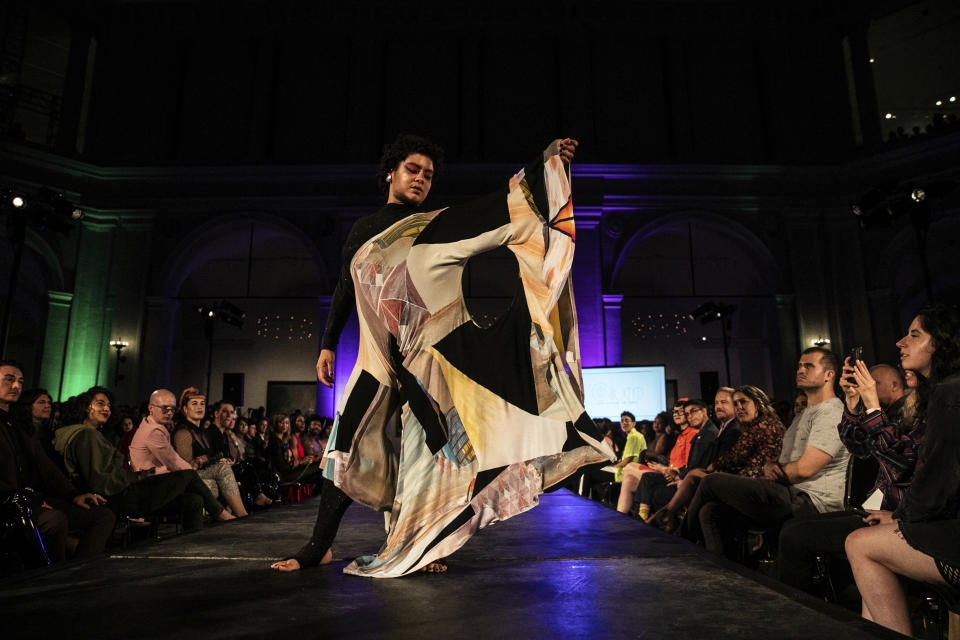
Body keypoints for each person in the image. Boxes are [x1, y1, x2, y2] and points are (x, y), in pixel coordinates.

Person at [271, 135, 613, 577]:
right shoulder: (362, 229)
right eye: (413, 170)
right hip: (376, 357)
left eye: (429, 175)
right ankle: (319, 546)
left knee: (431, 456)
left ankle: (426, 545)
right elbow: (345, 287)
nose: (421, 179)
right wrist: (327, 342)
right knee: (345, 445)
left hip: (429, 358)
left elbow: (506, 209)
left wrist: (544, 165)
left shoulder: (438, 225)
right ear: (390, 173)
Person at [845, 305, 960, 635]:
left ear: (942, 343)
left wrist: (870, 406)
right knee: (864, 539)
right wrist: (855, 407)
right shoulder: (935, 395)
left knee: (859, 543)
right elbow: (862, 449)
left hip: (935, 517)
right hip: (913, 509)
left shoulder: (948, 393)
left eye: (914, 335)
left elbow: (910, 466)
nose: (900, 342)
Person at [682, 347, 848, 560]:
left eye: (809, 366)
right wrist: (772, 465)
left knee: (710, 482)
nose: (800, 370)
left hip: (809, 500)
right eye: (799, 366)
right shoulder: (804, 414)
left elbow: (805, 469)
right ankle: (729, 578)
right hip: (786, 491)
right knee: (711, 511)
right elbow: (784, 460)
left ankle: (681, 547)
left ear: (829, 375)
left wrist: (774, 469)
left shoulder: (830, 412)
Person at [53, 386, 235, 530]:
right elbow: (101, 481)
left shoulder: (95, 434)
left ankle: (190, 548)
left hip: (127, 488)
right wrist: (138, 477)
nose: (106, 408)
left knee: (194, 500)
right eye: (100, 404)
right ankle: (221, 514)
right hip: (119, 496)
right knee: (189, 476)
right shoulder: (87, 435)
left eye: (108, 405)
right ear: (86, 407)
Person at [0, 362, 115, 564]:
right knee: (55, 519)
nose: (16, 386)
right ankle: (53, 577)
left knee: (102, 515)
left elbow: (46, 466)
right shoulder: (16, 425)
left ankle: (78, 571)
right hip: (10, 502)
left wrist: (73, 495)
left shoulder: (17, 425)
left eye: (20, 381)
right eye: (9, 380)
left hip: (32, 498)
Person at [650, 386, 784, 532]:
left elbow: (734, 458)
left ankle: (673, 525)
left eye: (742, 402)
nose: (739, 407)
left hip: (757, 482)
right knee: (702, 494)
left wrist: (711, 468)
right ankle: (672, 523)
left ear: (758, 404)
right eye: (736, 403)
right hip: (744, 477)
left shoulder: (758, 427)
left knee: (700, 479)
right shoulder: (749, 427)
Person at [172, 387, 249, 516]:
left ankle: (229, 517)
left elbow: (208, 458)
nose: (199, 407)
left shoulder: (201, 432)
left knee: (216, 481)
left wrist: (214, 459)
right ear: (185, 409)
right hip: (186, 478)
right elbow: (188, 469)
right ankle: (241, 515)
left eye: (202, 404)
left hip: (202, 475)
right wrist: (214, 461)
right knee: (222, 469)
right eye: (194, 404)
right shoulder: (183, 432)